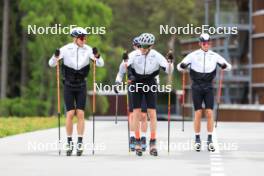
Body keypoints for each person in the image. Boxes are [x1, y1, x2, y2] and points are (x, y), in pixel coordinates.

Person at [48, 27, 104, 156]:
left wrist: (97, 56)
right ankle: (69, 141)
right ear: (75, 38)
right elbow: (51, 63)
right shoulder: (66, 49)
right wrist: (55, 56)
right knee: (70, 114)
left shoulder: (88, 49)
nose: (84, 40)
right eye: (82, 38)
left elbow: (100, 63)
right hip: (68, 84)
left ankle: (79, 142)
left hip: (81, 85)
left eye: (85, 37)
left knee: (80, 114)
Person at [177, 33, 231, 152]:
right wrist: (182, 65)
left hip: (208, 87)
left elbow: (228, 67)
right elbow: (179, 67)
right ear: (200, 43)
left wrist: (224, 65)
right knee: (198, 113)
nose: (206, 45)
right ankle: (197, 139)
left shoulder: (214, 55)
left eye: (208, 43)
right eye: (204, 43)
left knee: (210, 113)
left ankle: (210, 139)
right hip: (196, 87)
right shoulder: (193, 55)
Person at [127, 33, 173, 156]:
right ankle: (137, 141)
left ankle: (152, 142)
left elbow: (168, 70)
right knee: (136, 113)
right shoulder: (134, 54)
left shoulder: (156, 55)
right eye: (141, 45)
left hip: (150, 83)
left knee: (151, 113)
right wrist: (118, 81)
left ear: (151, 46)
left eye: (146, 46)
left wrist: (170, 62)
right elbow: (123, 67)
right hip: (137, 82)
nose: (143, 48)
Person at [115, 36, 148, 152]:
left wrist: (156, 83)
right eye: (137, 46)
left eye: (141, 46)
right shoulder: (129, 57)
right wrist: (117, 83)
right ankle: (133, 137)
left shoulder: (147, 57)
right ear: (134, 46)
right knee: (133, 115)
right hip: (133, 86)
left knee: (144, 115)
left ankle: (143, 138)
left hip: (146, 86)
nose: (139, 48)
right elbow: (120, 72)